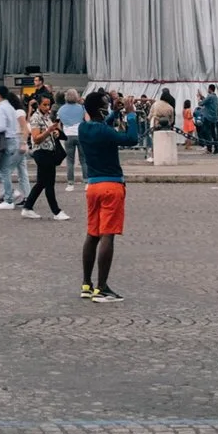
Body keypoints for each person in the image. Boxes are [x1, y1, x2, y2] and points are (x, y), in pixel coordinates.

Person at [75, 88, 140, 300]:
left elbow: (102, 126)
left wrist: (114, 112)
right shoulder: (103, 131)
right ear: (100, 109)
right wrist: (131, 115)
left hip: (92, 186)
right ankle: (102, 288)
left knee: (92, 235)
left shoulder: (84, 128)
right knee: (107, 236)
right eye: (106, 106)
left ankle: (86, 284)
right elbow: (131, 139)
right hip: (111, 185)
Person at [20, 93, 69, 219]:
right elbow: (36, 139)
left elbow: (48, 133)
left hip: (48, 152)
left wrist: (55, 132)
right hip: (42, 152)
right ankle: (56, 211)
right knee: (49, 182)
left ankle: (28, 207)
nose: (48, 107)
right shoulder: (36, 118)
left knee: (42, 182)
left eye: (49, 104)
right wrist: (48, 131)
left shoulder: (46, 117)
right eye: (45, 105)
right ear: (39, 104)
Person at [0, 85, 28, 209]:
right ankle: (10, 194)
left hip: (6, 140)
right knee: (3, 169)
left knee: (1, 169)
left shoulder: (1, 108)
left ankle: (9, 198)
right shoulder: (10, 107)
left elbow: (1, 127)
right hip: (13, 140)